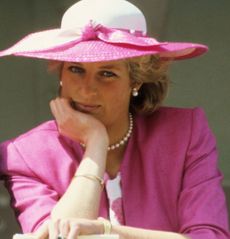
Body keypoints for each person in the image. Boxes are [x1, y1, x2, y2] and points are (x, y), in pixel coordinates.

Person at [0, 0, 229, 238]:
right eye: (76, 70)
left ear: (136, 80)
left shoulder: (185, 134)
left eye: (107, 74)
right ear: (60, 72)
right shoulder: (25, 155)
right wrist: (96, 142)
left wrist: (108, 231)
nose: (86, 90)